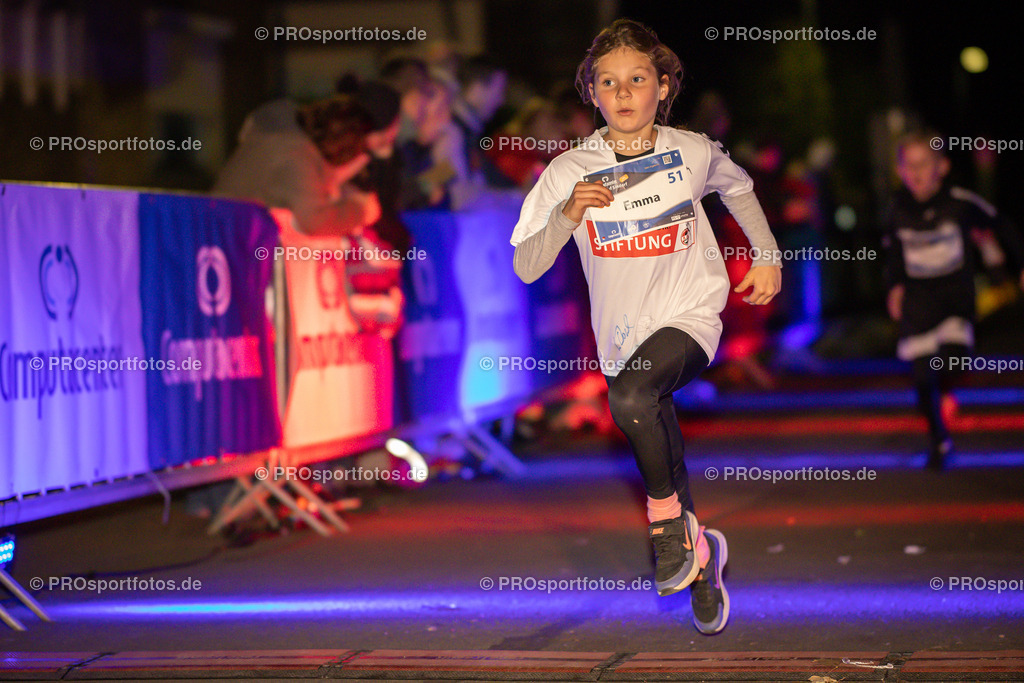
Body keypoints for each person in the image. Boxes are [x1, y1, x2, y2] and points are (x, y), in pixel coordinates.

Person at [510, 18, 781, 635]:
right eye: (609, 82)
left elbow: (739, 189)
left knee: (632, 395)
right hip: (622, 336)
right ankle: (700, 555)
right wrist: (566, 212)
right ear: (593, 94)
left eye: (637, 79)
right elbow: (527, 265)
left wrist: (766, 254)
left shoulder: (690, 150)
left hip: (690, 314)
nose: (624, 92)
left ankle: (665, 526)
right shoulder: (568, 170)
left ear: (662, 86)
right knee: (646, 416)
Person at [884, 129, 1024, 470]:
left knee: (950, 361)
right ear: (900, 170)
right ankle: (939, 442)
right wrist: (894, 287)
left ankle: (946, 389)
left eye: (924, 164)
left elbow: (1002, 224)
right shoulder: (896, 210)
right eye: (909, 165)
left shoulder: (960, 202)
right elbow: (892, 255)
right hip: (918, 302)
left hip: (954, 299)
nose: (916, 173)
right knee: (920, 378)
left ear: (942, 166)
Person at [214, 94, 379, 237]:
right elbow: (315, 221)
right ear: (344, 146)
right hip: (237, 247)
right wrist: (361, 209)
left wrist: (332, 181)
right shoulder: (296, 155)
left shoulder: (285, 141)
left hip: (228, 239)